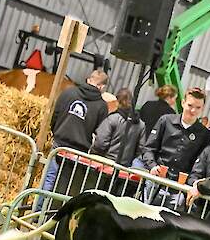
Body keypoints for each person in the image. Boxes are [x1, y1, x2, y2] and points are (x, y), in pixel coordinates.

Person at [38, 69, 109, 206]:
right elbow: (100, 132)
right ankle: (55, 216)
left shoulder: (68, 92)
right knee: (67, 185)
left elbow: (55, 115)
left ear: (88, 79)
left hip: (59, 143)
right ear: (102, 87)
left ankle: (37, 212)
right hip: (78, 151)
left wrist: (57, 131)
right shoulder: (101, 106)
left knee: (49, 178)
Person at [139, 88, 210, 206]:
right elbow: (149, 148)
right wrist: (152, 166)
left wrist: (191, 182)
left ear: (202, 108)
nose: (193, 110)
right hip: (156, 182)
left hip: (179, 190)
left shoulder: (205, 134)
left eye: (198, 107)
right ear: (183, 103)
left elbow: (200, 164)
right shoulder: (165, 120)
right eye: (190, 105)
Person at [91, 88, 145, 167]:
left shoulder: (113, 119)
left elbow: (101, 143)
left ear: (117, 101)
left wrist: (94, 152)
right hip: (124, 168)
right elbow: (140, 149)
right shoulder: (141, 125)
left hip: (106, 163)